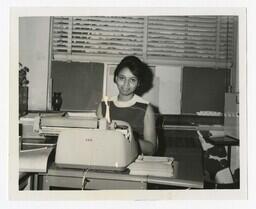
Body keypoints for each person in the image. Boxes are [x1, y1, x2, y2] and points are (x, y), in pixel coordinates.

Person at [97, 56, 157, 155]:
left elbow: (151, 149)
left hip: (135, 161)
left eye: (132, 80)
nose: (126, 84)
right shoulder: (104, 105)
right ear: (116, 78)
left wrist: (127, 138)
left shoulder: (145, 109)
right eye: (122, 78)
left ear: (138, 83)